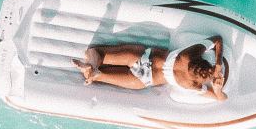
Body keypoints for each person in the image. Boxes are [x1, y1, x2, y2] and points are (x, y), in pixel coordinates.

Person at [72, 35, 227, 101]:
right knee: (99, 76)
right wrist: (217, 89)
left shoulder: (189, 55)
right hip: (143, 79)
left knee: (97, 52)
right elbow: (220, 99)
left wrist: (218, 64)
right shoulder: (191, 85)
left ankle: (91, 64)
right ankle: (92, 73)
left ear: (201, 59)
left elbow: (217, 39)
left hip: (143, 57)